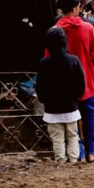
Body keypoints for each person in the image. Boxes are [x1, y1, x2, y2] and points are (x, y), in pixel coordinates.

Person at [52, 0, 94, 163]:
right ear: (76, 8)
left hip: (63, 82)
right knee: (91, 114)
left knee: (70, 117)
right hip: (88, 79)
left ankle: (77, 153)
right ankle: (91, 152)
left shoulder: (55, 30)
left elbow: (48, 56)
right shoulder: (88, 28)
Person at [36, 27, 86, 163]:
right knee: (72, 135)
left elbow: (40, 87)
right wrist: (76, 97)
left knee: (57, 137)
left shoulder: (43, 63)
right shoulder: (74, 60)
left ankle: (60, 161)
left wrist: (44, 99)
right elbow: (81, 84)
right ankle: (74, 160)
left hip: (52, 109)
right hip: (71, 106)